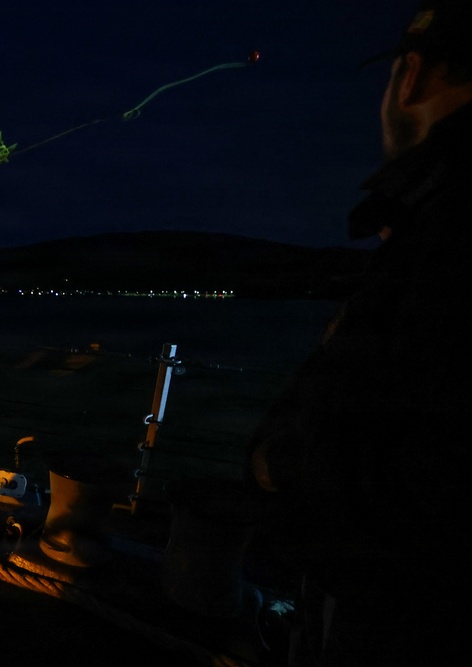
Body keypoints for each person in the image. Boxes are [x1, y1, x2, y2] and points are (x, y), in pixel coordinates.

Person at [248, 2, 472, 664]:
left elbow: (409, 478)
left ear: (411, 76)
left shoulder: (444, 234)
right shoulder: (429, 221)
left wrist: (277, 463)